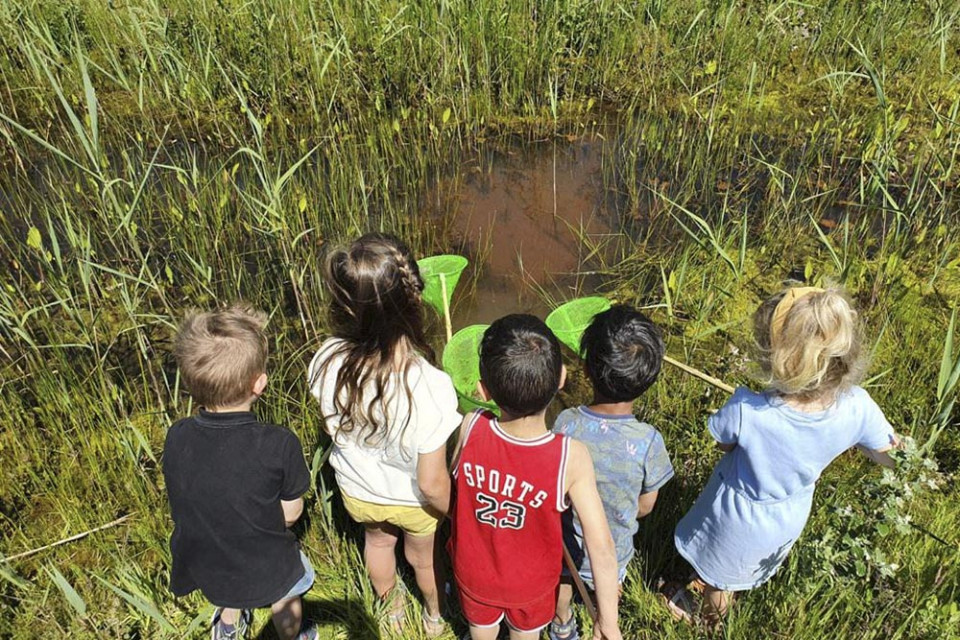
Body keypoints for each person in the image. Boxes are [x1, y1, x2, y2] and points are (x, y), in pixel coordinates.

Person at [669, 287, 899, 623]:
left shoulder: (749, 409)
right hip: (788, 514)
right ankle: (727, 585)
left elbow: (722, 442)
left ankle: (708, 620)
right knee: (741, 564)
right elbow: (890, 453)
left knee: (721, 579)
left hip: (736, 518)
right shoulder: (857, 406)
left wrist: (742, 403)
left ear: (777, 357)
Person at [307, 233, 460, 637]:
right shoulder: (430, 385)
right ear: (412, 302)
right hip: (413, 502)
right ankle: (433, 617)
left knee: (377, 545)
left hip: (358, 493)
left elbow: (332, 424)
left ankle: (390, 610)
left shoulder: (325, 360)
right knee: (424, 560)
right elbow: (430, 482)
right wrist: (454, 513)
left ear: (343, 305)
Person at [448, 314, 623, 640]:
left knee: (480, 633)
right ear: (562, 378)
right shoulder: (570, 457)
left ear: (482, 390)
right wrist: (608, 621)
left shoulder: (471, 424)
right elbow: (601, 546)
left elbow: (455, 486)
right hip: (532, 586)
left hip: (474, 574)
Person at [163, 304, 316, 640]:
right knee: (288, 586)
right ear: (259, 384)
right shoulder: (279, 443)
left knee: (233, 582)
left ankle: (227, 626)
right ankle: (295, 635)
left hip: (209, 564)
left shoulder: (177, 435)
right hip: (265, 562)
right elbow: (291, 513)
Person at [550, 305, 674, 640]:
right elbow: (646, 506)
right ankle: (605, 616)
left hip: (566, 543)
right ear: (649, 378)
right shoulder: (649, 442)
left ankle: (562, 625)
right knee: (610, 582)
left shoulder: (567, 423)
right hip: (616, 546)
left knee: (562, 581)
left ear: (587, 370)